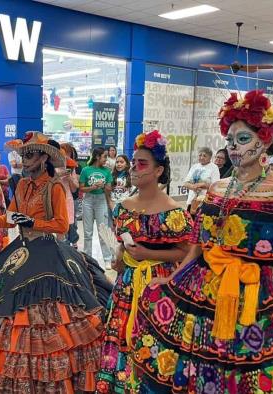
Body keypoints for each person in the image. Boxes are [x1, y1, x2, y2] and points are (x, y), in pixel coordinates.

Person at [130, 90, 273, 393]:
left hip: (257, 298)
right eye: (229, 140)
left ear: (265, 140)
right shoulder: (217, 188)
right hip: (203, 289)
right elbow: (198, 242)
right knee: (198, 363)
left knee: (248, 372)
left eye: (242, 139)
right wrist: (173, 277)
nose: (233, 147)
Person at [0, 132, 111, 392]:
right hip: (21, 249)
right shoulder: (21, 185)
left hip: (48, 250)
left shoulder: (54, 187)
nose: (24, 160)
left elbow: (62, 225)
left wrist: (33, 223)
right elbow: (10, 216)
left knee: (53, 308)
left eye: (30, 155)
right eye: (23, 155)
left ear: (43, 158)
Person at [96, 130, 194, 393]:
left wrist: (149, 254)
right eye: (133, 162)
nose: (134, 169)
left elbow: (186, 252)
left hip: (158, 286)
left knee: (151, 339)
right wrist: (119, 257)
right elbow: (120, 241)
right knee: (120, 334)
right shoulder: (124, 206)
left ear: (158, 170)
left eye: (142, 164)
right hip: (127, 284)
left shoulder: (174, 212)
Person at [80, 146, 114, 267]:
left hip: (101, 200)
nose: (106, 159)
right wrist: (92, 187)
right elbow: (81, 188)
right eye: (105, 156)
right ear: (97, 157)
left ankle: (107, 258)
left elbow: (109, 189)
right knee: (88, 232)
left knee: (103, 230)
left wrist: (103, 184)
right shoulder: (86, 170)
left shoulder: (107, 171)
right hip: (88, 200)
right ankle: (87, 258)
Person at [183, 147, 220, 214]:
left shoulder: (214, 167)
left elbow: (216, 186)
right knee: (190, 221)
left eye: (204, 156)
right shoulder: (195, 166)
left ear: (210, 157)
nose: (202, 157)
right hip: (192, 200)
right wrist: (193, 187)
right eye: (200, 155)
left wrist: (203, 185)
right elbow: (185, 183)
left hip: (205, 202)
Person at [61, 142, 82, 248]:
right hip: (55, 201)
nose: (65, 156)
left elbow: (74, 189)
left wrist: (69, 177)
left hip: (68, 200)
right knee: (60, 228)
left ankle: (72, 246)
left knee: (71, 225)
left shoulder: (72, 168)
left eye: (67, 153)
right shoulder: (50, 168)